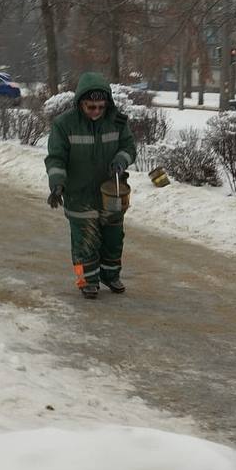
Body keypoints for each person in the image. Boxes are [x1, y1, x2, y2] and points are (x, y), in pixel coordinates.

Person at [44, 72, 137, 299]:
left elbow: (129, 147)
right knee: (85, 241)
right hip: (79, 194)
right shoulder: (64, 124)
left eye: (100, 107)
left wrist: (121, 160)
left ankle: (111, 275)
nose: (96, 111)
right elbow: (56, 158)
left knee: (114, 238)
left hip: (111, 192)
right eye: (90, 107)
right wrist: (57, 183)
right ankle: (87, 280)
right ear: (80, 104)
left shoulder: (117, 121)